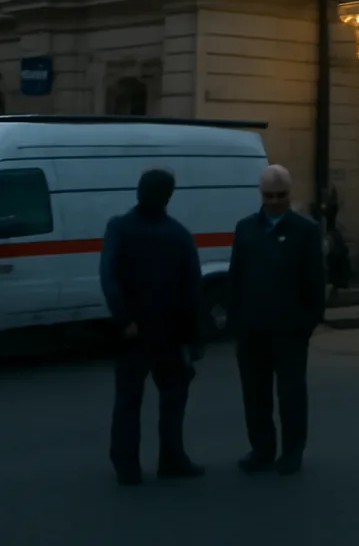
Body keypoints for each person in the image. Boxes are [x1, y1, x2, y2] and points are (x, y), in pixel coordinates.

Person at [99, 168, 205, 486]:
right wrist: (195, 338)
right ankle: (171, 458)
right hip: (169, 333)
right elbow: (193, 290)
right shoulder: (178, 234)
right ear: (168, 196)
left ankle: (127, 465)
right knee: (172, 398)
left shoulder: (119, 228)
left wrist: (124, 319)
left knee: (129, 400)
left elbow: (109, 278)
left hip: (135, 333)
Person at [227, 164, 325, 476]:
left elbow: (315, 282)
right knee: (255, 395)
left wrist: (307, 324)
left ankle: (292, 451)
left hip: (289, 330)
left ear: (289, 193)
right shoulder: (246, 229)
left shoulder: (305, 231)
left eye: (280, 195)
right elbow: (236, 276)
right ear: (261, 194)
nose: (275, 202)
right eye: (269, 196)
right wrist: (235, 321)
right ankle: (262, 448)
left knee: (291, 394)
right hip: (251, 329)